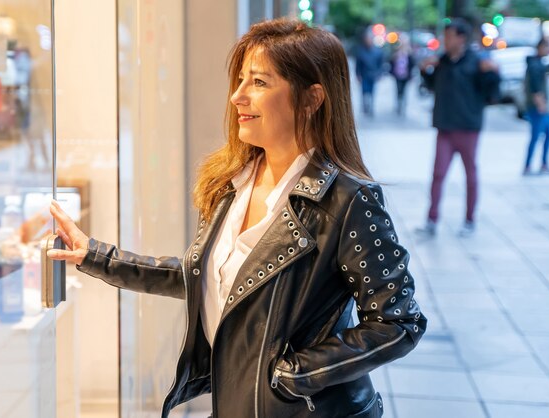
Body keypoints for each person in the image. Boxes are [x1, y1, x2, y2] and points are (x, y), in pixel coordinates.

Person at [48, 19, 426, 418]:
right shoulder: (231, 184)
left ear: (312, 98)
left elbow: (399, 322)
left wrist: (292, 375)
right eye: (241, 80)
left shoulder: (347, 200)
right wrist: (95, 255)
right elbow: (208, 280)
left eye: (259, 83)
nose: (237, 97)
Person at [417, 19, 500, 237]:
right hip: (445, 128)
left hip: (468, 127)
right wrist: (425, 71)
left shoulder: (476, 62)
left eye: (450, 36)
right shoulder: (442, 62)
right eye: (445, 36)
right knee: (438, 174)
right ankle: (432, 219)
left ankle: (470, 219)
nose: (446, 40)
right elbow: (430, 86)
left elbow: (492, 94)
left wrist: (492, 73)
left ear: (461, 38)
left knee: (470, 175)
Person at [523, 38, 549, 176]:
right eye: (547, 47)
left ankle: (543, 164)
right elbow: (536, 89)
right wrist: (541, 105)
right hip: (537, 107)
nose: (548, 50)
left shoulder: (536, 63)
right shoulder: (535, 65)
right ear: (541, 47)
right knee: (535, 136)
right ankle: (528, 166)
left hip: (539, 107)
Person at [355, 33, 384, 116]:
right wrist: (358, 75)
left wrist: (379, 74)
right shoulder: (361, 52)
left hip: (373, 75)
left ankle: (371, 107)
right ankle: (365, 107)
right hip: (364, 75)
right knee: (364, 92)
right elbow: (358, 65)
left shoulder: (378, 52)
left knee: (372, 92)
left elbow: (380, 65)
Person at [390, 42, 414, 116]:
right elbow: (391, 62)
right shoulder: (396, 54)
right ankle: (399, 105)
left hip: (405, 76)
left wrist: (410, 75)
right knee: (398, 90)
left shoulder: (409, 55)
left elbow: (412, 65)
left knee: (404, 91)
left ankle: (403, 105)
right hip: (398, 75)